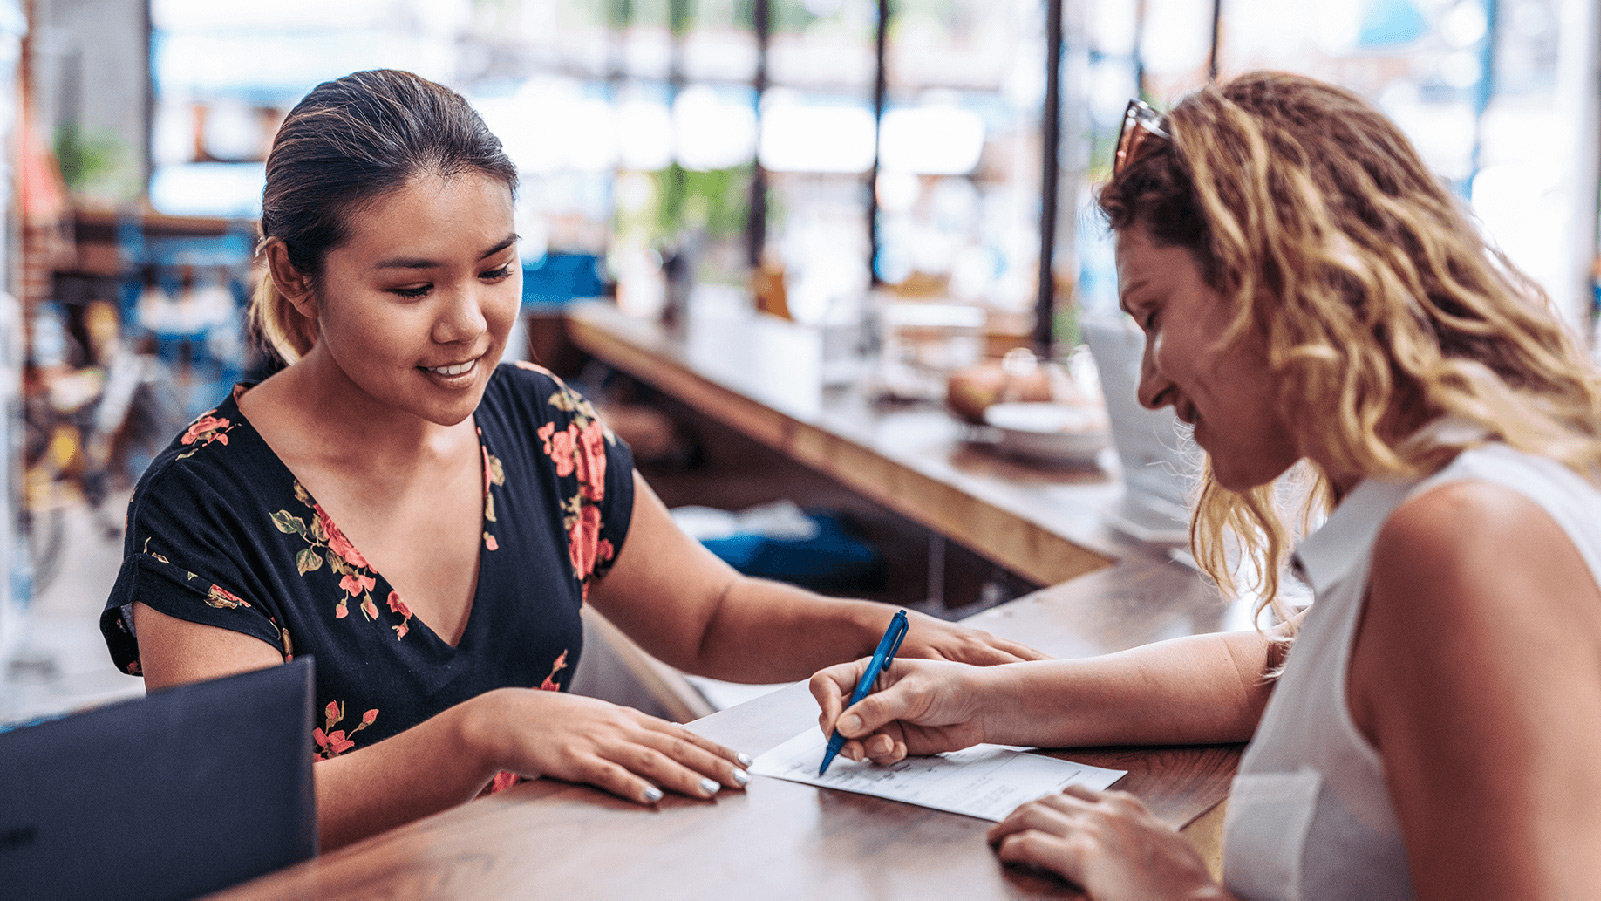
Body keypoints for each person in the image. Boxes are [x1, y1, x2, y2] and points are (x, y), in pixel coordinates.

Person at [100, 68, 1042, 851]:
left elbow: (709, 617)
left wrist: (877, 629)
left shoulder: (542, 426)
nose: (469, 323)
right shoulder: (206, 502)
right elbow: (228, 818)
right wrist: (486, 730)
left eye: (496, 270)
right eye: (412, 286)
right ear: (296, 276)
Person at [811, 71, 1601, 899]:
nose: (1147, 386)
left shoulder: (1466, 541)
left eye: (1153, 314)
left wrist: (1177, 892)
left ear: (1278, 277)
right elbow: (1279, 672)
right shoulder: (1446, 503)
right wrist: (984, 704)